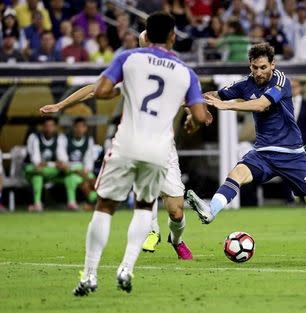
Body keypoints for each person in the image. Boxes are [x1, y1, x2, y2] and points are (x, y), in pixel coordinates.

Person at [41, 12, 208, 295]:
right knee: (144, 207)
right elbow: (202, 116)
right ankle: (126, 268)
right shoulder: (184, 73)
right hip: (158, 150)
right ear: (172, 37)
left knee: (106, 206)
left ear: (145, 36)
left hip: (127, 143)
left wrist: (64, 105)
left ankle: (90, 275)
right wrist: (193, 119)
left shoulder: (129, 60)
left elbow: (101, 90)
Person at [186, 42, 306, 259]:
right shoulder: (245, 84)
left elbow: (261, 105)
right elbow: (216, 95)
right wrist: (195, 104)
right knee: (236, 174)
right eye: (255, 68)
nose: (259, 72)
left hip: (292, 154)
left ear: (272, 65)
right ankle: (211, 211)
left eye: (263, 67)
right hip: (263, 153)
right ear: (250, 65)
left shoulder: (281, 81)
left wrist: (227, 106)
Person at [24, 116, 68, 212]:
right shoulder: (34, 137)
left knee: (68, 172)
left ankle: (72, 203)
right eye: (46, 126)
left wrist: (51, 164)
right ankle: (37, 204)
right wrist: (53, 164)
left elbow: (62, 160)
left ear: (55, 127)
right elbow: (36, 162)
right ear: (42, 127)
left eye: (51, 126)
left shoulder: (60, 138)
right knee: (37, 175)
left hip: (48, 170)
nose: (49, 128)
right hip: (31, 169)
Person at [59, 117, 97, 210]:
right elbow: (62, 158)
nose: (79, 129)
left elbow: (89, 158)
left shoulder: (89, 140)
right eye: (77, 127)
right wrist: (74, 169)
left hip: (83, 169)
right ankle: (72, 203)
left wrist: (86, 170)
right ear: (73, 128)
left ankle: (94, 202)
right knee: (71, 179)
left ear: (85, 128)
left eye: (82, 127)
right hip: (69, 170)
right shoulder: (64, 138)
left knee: (94, 182)